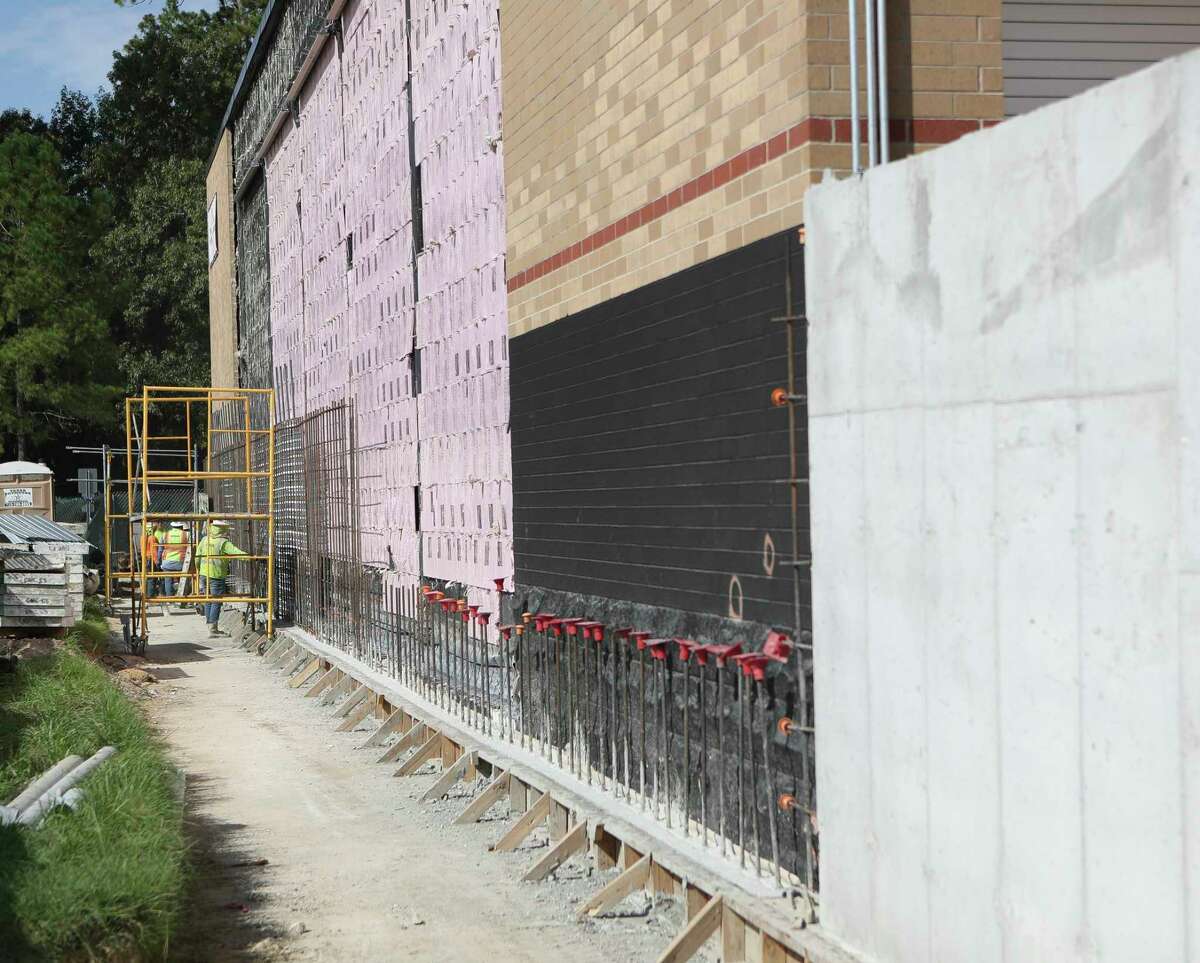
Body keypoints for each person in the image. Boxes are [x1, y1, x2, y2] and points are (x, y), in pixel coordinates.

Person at [195, 520, 247, 637]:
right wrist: (251, 558)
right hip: (216, 575)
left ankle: (210, 625)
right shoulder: (223, 542)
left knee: (208, 599)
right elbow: (236, 553)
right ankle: (213, 629)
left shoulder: (204, 540)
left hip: (204, 574)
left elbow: (197, 557)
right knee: (216, 601)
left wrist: (200, 570)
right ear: (223, 530)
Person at [159, 521, 190, 598]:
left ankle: (169, 598)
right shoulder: (187, 534)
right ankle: (182, 597)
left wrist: (159, 562)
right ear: (182, 526)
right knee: (183, 579)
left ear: (172, 526)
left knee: (168, 580)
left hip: (167, 562)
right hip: (181, 562)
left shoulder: (165, 534)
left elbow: (160, 550)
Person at [141, 521, 167, 600]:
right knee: (152, 578)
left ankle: (147, 594)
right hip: (151, 560)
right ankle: (151, 595)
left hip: (145, 559)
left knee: (147, 577)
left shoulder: (142, 537)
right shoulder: (153, 538)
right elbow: (154, 551)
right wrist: (157, 563)